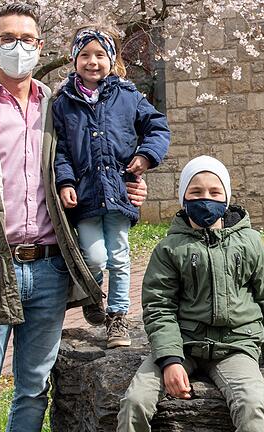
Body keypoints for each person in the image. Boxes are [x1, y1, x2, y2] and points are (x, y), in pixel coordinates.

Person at [0, 5, 147, 431]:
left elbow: (101, 153)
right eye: (7, 39)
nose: (18, 47)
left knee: (33, 388)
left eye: (27, 40)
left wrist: (133, 178)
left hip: (50, 268)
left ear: (41, 46)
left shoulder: (59, 105)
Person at [117, 156, 264, 432]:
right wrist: (170, 360)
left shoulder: (250, 242)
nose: (206, 199)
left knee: (252, 405)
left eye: (215, 192)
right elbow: (159, 307)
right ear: (183, 198)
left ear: (226, 198)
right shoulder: (169, 249)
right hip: (183, 344)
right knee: (135, 401)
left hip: (236, 346)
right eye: (196, 192)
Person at [52, 23, 171, 348]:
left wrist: (146, 156)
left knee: (118, 256)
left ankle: (117, 318)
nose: (93, 61)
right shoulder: (63, 102)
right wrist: (65, 181)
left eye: (100, 55)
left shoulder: (128, 95)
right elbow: (60, 149)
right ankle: (93, 295)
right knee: (93, 257)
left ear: (112, 59)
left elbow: (157, 127)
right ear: (74, 60)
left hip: (120, 192)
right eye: (85, 55)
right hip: (86, 197)